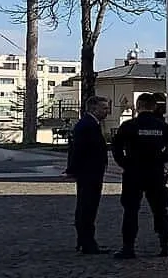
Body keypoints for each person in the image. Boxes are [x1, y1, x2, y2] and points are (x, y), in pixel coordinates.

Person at [110, 91, 168, 259]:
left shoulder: (128, 126)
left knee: (131, 210)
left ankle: (128, 247)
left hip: (133, 172)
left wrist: (125, 163)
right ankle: (165, 244)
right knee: (160, 209)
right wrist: (160, 160)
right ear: (154, 107)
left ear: (138, 106)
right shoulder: (163, 126)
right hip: (155, 172)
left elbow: (116, 148)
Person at [64, 95, 112, 254]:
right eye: (104, 108)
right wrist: (73, 169)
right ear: (93, 108)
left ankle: (86, 241)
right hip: (89, 172)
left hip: (92, 171)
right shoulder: (87, 125)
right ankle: (87, 242)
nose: (107, 111)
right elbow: (77, 149)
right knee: (87, 207)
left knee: (88, 207)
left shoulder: (91, 124)